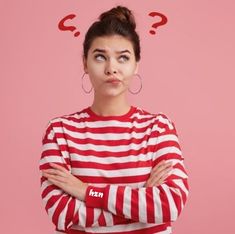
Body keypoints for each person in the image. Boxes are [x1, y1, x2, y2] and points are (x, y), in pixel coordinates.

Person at [39, 5, 189, 234]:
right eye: (100, 57)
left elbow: (170, 205)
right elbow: (61, 212)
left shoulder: (158, 128)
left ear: (136, 65)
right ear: (84, 63)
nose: (112, 68)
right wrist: (141, 204)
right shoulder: (60, 131)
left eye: (123, 58)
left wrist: (87, 192)